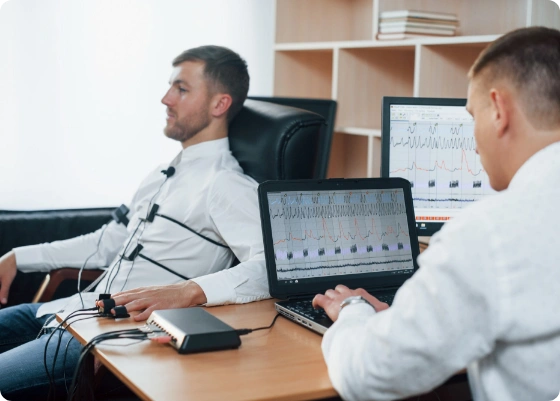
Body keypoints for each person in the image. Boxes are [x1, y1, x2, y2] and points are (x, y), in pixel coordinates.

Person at [0, 45, 269, 398]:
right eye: (170, 86)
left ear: (220, 104)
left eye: (181, 89)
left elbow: (271, 266)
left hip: (107, 339)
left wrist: (188, 291)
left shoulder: (226, 186)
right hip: (68, 311)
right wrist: (19, 256)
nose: (165, 98)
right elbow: (110, 241)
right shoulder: (161, 173)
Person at [312, 26, 560, 401]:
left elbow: (367, 373)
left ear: (498, 109)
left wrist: (353, 310)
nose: (474, 143)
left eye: (473, 116)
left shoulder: (489, 234)